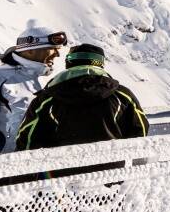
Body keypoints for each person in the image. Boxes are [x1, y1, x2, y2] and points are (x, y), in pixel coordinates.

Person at [16, 44, 148, 150]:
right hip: (114, 170)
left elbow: (27, 138)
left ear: (69, 63)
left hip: (61, 171)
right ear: (100, 63)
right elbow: (140, 129)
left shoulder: (47, 99)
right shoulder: (122, 95)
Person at [0, 22, 67, 151]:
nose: (57, 54)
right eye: (52, 48)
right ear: (30, 50)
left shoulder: (38, 81)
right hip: (5, 160)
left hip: (35, 158)